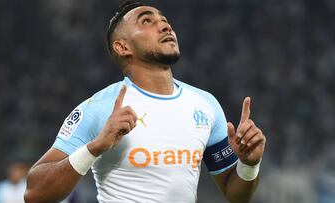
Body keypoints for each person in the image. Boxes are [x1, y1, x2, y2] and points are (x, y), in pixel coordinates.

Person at [24, 1, 266, 202]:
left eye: (164, 20)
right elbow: (34, 193)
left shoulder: (205, 104)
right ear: (122, 46)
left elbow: (235, 194)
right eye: (147, 21)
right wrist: (94, 148)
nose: (164, 25)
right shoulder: (101, 108)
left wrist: (248, 164)